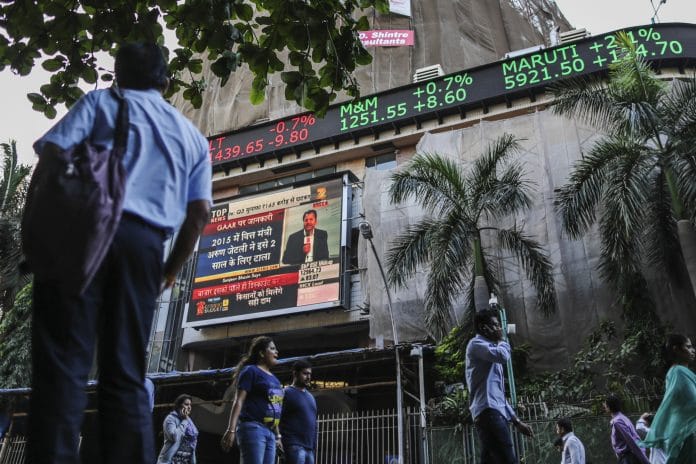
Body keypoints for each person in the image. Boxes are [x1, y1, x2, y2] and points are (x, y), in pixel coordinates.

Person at [28, 42, 212, 464]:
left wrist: (35, 230)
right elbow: (199, 212)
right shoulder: (192, 138)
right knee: (127, 373)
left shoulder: (99, 103)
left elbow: (52, 158)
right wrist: (169, 269)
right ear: (165, 83)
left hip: (81, 237)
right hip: (145, 249)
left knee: (63, 364)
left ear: (118, 75)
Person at [465, 309, 533, 464]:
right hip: (488, 412)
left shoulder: (490, 349)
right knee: (507, 456)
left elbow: (498, 394)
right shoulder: (476, 345)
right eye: (495, 325)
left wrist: (516, 421)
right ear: (484, 328)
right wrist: (502, 339)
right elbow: (503, 356)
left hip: (489, 412)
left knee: (491, 459)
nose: (498, 329)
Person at [221, 336, 284, 464]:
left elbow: (275, 409)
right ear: (261, 353)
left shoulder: (276, 381)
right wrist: (231, 429)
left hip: (271, 433)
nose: (276, 352)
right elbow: (238, 401)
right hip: (253, 427)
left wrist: (278, 437)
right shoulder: (251, 371)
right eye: (272, 349)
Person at [641, 334, 696, 463]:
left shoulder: (681, 372)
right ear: (676, 349)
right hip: (688, 436)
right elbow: (689, 404)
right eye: (688, 347)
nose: (693, 350)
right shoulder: (678, 372)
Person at [279, 359, 318, 464]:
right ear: (295, 373)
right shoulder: (285, 393)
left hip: (309, 448)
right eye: (305, 373)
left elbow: (314, 423)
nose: (308, 377)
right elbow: (276, 417)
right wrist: (277, 439)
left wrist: (314, 446)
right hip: (293, 445)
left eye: (310, 374)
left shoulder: (311, 397)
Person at [604, 394, 649, 464]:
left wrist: (645, 461)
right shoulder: (623, 418)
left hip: (629, 458)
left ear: (609, 407)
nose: (604, 407)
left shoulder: (617, 422)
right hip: (627, 457)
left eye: (606, 405)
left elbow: (631, 441)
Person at [157, 394, 199, 464]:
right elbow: (174, 437)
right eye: (186, 404)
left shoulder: (189, 421)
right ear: (179, 405)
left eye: (190, 405)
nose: (189, 407)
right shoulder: (170, 419)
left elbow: (194, 442)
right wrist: (184, 421)